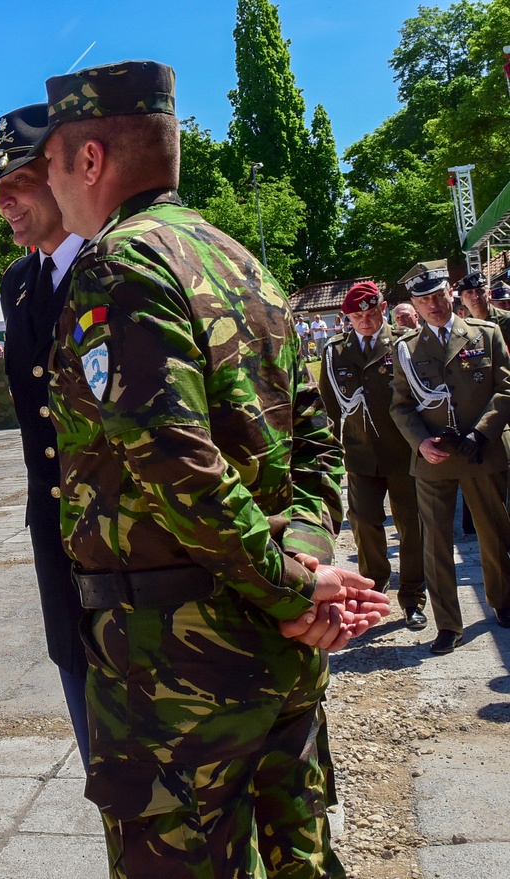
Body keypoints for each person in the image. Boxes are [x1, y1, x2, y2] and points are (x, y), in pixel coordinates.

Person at [32, 59, 389, 878]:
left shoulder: (119, 265)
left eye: (53, 163)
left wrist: (293, 586)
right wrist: (301, 567)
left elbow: (172, 458)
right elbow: (315, 444)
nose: (50, 184)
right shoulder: (243, 264)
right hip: (273, 653)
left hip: (177, 674)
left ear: (91, 161)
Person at [0, 103, 90, 766]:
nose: (4, 199)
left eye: (18, 178)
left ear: (65, 171)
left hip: (134, 555)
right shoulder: (18, 283)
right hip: (58, 541)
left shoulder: (116, 265)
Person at [390, 260, 510, 652]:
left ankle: (503, 602)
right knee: (436, 542)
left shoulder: (484, 334)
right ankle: (448, 624)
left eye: (439, 296)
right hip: (434, 458)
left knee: (494, 533)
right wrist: (420, 443)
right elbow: (401, 406)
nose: (434, 305)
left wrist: (483, 432)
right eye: (424, 300)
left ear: (450, 295)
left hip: (482, 453)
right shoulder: (407, 349)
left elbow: (505, 388)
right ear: (414, 304)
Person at [320, 281, 427, 628]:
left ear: (383, 309)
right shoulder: (335, 351)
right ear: (347, 317)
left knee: (411, 527)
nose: (364, 322)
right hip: (360, 454)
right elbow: (329, 405)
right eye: (356, 316)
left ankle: (413, 597)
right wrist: (328, 450)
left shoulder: (403, 344)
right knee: (364, 522)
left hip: (403, 453)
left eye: (370, 314)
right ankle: (373, 587)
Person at [457, 271, 510, 345]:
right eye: (469, 292)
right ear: (462, 300)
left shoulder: (507, 320)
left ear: (489, 294)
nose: (476, 297)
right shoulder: (463, 328)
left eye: (479, 291)